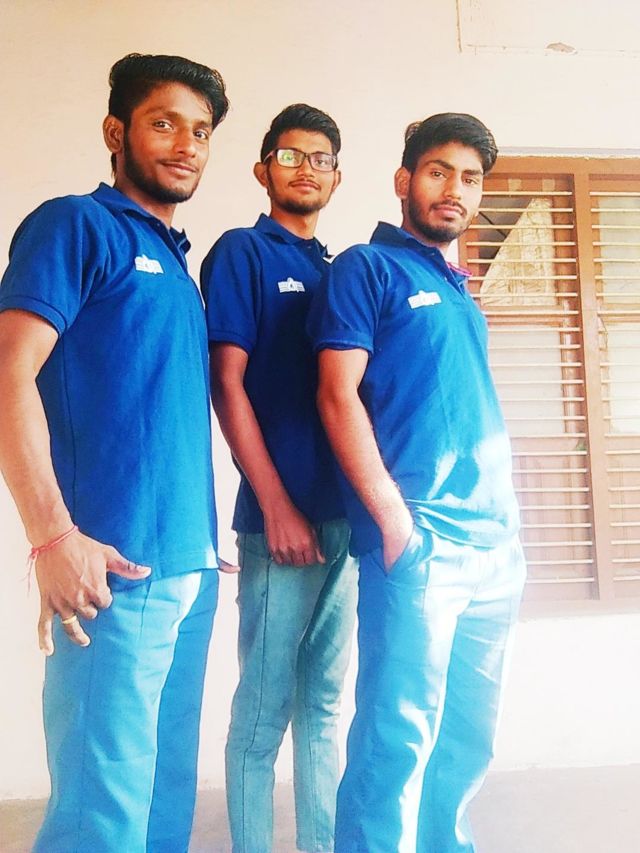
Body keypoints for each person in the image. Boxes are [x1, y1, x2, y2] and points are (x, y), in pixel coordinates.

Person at [0, 53, 228, 852]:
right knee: (100, 815)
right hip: (111, 573)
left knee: (163, 800)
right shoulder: (75, 225)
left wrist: (201, 541)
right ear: (115, 131)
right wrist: (53, 536)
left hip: (188, 570)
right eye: (164, 122)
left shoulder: (177, 263)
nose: (187, 144)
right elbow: (8, 374)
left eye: (201, 130)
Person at [308, 113, 527, 853]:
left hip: (495, 549)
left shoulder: (460, 290)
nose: (454, 189)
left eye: (470, 178)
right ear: (404, 180)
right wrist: (395, 522)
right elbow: (337, 395)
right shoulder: (367, 269)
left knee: (467, 738)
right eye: (438, 171)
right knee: (396, 738)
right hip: (423, 543)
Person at [201, 104, 358, 853]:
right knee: (264, 713)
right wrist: (275, 505)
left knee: (324, 705)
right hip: (279, 522)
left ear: (337, 177)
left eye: (321, 158)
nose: (306, 168)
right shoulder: (244, 252)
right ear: (263, 169)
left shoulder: (340, 270)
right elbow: (226, 382)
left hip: (344, 520)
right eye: (290, 155)